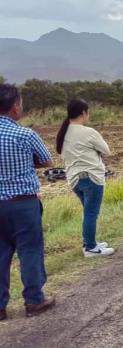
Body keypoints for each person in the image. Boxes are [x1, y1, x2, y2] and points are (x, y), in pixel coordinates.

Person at [0, 84, 56, 320]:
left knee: (1, 253)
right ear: (15, 107)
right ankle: (34, 300)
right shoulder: (25, 134)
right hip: (23, 203)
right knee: (30, 250)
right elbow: (47, 160)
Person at [56, 99, 115, 258]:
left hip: (74, 180)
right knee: (91, 213)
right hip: (91, 178)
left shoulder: (64, 132)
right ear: (83, 112)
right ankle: (90, 248)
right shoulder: (88, 132)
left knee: (88, 212)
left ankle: (90, 242)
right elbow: (106, 150)